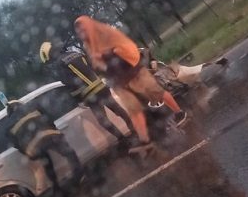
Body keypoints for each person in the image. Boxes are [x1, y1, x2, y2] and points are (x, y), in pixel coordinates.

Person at [74, 16, 187, 147]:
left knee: (157, 93)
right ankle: (146, 139)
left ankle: (179, 112)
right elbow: (97, 64)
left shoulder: (105, 34)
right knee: (135, 109)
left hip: (134, 72)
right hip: (119, 80)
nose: (82, 34)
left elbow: (121, 48)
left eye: (83, 29)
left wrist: (104, 55)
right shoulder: (88, 46)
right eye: (79, 32)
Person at [39, 41, 136, 147]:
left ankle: (123, 140)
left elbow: (69, 82)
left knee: (103, 121)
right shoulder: (75, 53)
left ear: (49, 54)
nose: (50, 62)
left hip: (91, 95)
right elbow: (93, 66)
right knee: (119, 110)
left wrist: (77, 99)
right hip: (102, 88)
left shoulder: (59, 64)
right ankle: (134, 130)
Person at [5, 99, 83, 195]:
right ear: (19, 105)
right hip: (49, 136)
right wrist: (56, 131)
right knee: (69, 153)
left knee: (47, 164)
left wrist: (27, 153)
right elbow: (48, 118)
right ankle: (78, 177)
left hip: (34, 147)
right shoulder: (32, 107)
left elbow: (15, 143)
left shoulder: (9, 124)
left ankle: (56, 188)